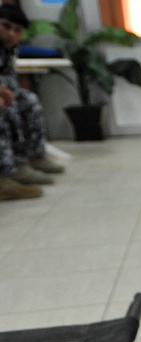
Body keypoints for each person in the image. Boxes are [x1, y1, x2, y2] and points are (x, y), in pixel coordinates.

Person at [0, 3, 63, 199]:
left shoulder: (10, 49)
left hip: (5, 93)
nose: (11, 34)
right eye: (6, 26)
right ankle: (5, 176)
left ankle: (31, 158)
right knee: (3, 107)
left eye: (17, 30)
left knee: (29, 99)